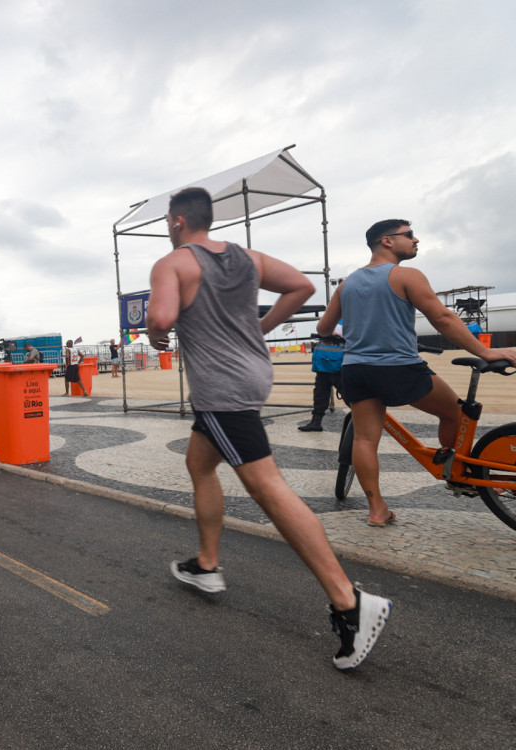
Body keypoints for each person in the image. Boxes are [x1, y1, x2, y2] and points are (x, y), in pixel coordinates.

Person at [147, 186, 390, 671]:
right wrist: (258, 330)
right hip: (251, 376)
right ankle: (208, 564)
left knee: (267, 488)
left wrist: (156, 331)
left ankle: (349, 602)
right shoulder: (246, 257)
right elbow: (301, 286)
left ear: (177, 221)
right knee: (200, 463)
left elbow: (163, 315)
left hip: (221, 388)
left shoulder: (172, 263)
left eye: (167, 223)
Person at [317, 220, 516, 526]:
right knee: (455, 413)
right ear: (387, 241)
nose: (415, 239)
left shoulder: (348, 283)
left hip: (356, 369)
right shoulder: (406, 275)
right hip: (398, 367)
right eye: (408, 235)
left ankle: (377, 511)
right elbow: (444, 318)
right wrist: (486, 351)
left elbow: (323, 328)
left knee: (366, 440)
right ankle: (455, 476)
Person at [298, 327, 344, 432]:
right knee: (319, 396)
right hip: (323, 365)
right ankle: (316, 422)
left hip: (337, 366)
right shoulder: (333, 319)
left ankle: (365, 421)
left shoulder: (347, 320)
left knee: (350, 396)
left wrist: (338, 337)